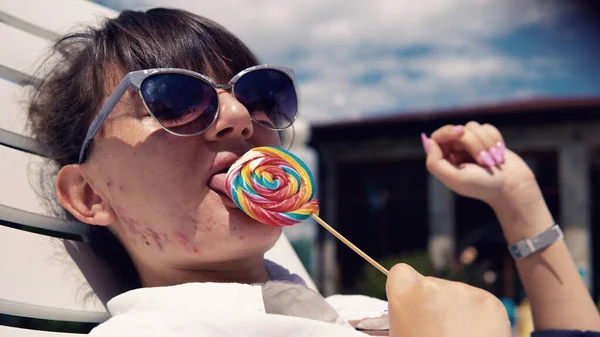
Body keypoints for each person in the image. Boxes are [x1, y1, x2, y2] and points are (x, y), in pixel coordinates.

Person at [25, 7, 599, 337]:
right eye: (172, 98)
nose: (236, 117)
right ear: (89, 195)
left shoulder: (347, 312)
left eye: (259, 93)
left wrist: (520, 205)